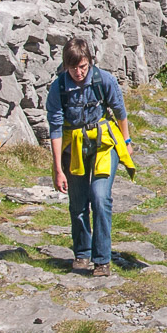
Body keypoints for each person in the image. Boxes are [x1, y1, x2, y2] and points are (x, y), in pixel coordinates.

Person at [47, 36, 133, 279]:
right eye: (73, 67)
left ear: (90, 61)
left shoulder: (104, 80)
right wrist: (58, 169)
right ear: (66, 66)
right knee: (78, 203)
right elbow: (55, 129)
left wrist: (126, 142)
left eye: (83, 66)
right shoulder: (58, 88)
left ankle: (102, 260)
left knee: (100, 196)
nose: (78, 72)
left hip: (104, 144)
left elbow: (120, 111)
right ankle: (82, 253)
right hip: (73, 148)